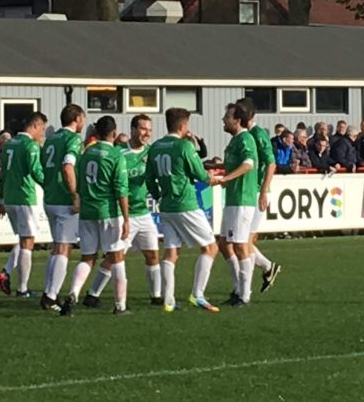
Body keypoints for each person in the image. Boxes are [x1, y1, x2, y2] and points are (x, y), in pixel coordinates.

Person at [83, 114, 163, 308]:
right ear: (133, 129)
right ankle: (92, 294)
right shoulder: (118, 152)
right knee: (114, 257)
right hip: (121, 213)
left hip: (142, 212)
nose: (147, 133)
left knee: (152, 254)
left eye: (149, 130)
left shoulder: (151, 153)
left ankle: (156, 295)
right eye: (143, 129)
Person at [145, 107, 220, 313]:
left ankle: (168, 301)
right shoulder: (184, 146)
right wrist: (211, 178)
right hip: (185, 204)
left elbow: (149, 179)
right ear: (182, 125)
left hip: (166, 206)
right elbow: (200, 173)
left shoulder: (156, 147)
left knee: (171, 252)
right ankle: (197, 295)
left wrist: (159, 197)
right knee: (210, 248)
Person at [60, 116, 130, 316]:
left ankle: (73, 293)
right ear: (114, 133)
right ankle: (120, 306)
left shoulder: (86, 152)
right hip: (108, 211)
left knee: (87, 258)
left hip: (88, 212)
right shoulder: (116, 155)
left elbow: (79, 180)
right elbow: (121, 190)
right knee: (117, 257)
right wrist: (126, 218)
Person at [0, 112, 47, 297]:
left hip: (9, 198)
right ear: (35, 125)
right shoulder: (30, 145)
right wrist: (51, 186)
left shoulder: (9, 143)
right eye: (42, 129)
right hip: (25, 198)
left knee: (24, 239)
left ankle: (6, 272)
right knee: (28, 242)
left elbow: (2, 175)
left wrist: (1, 200)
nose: (42, 133)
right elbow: (36, 171)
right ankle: (22, 288)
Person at [39, 104, 85, 312]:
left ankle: (48, 292)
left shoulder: (52, 138)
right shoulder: (72, 139)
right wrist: (75, 194)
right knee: (64, 248)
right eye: (82, 118)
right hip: (63, 199)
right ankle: (51, 296)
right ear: (76, 118)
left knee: (57, 246)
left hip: (49, 197)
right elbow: (68, 166)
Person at [236, 97, 281, 293]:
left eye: (243, 112)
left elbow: (271, 163)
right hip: (247, 192)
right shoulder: (243, 134)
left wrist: (263, 191)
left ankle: (247, 285)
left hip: (255, 193)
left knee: (244, 240)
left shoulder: (258, 134)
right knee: (242, 240)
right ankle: (267, 268)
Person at [217, 103, 259, 307]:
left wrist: (226, 178)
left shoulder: (245, 138)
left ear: (237, 120)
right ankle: (237, 288)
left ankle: (245, 295)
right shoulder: (235, 140)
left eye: (227, 116)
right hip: (233, 199)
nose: (224, 119)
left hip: (242, 200)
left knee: (241, 247)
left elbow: (249, 163)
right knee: (224, 243)